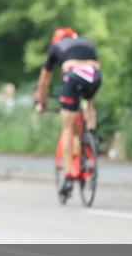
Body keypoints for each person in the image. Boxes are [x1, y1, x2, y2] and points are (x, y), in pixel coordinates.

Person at [34, 28, 102, 186]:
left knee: (68, 126)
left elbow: (44, 81)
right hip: (94, 77)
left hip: (73, 78)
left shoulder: (56, 47)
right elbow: (95, 66)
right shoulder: (88, 44)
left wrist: (41, 103)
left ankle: (69, 174)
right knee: (88, 103)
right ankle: (91, 136)